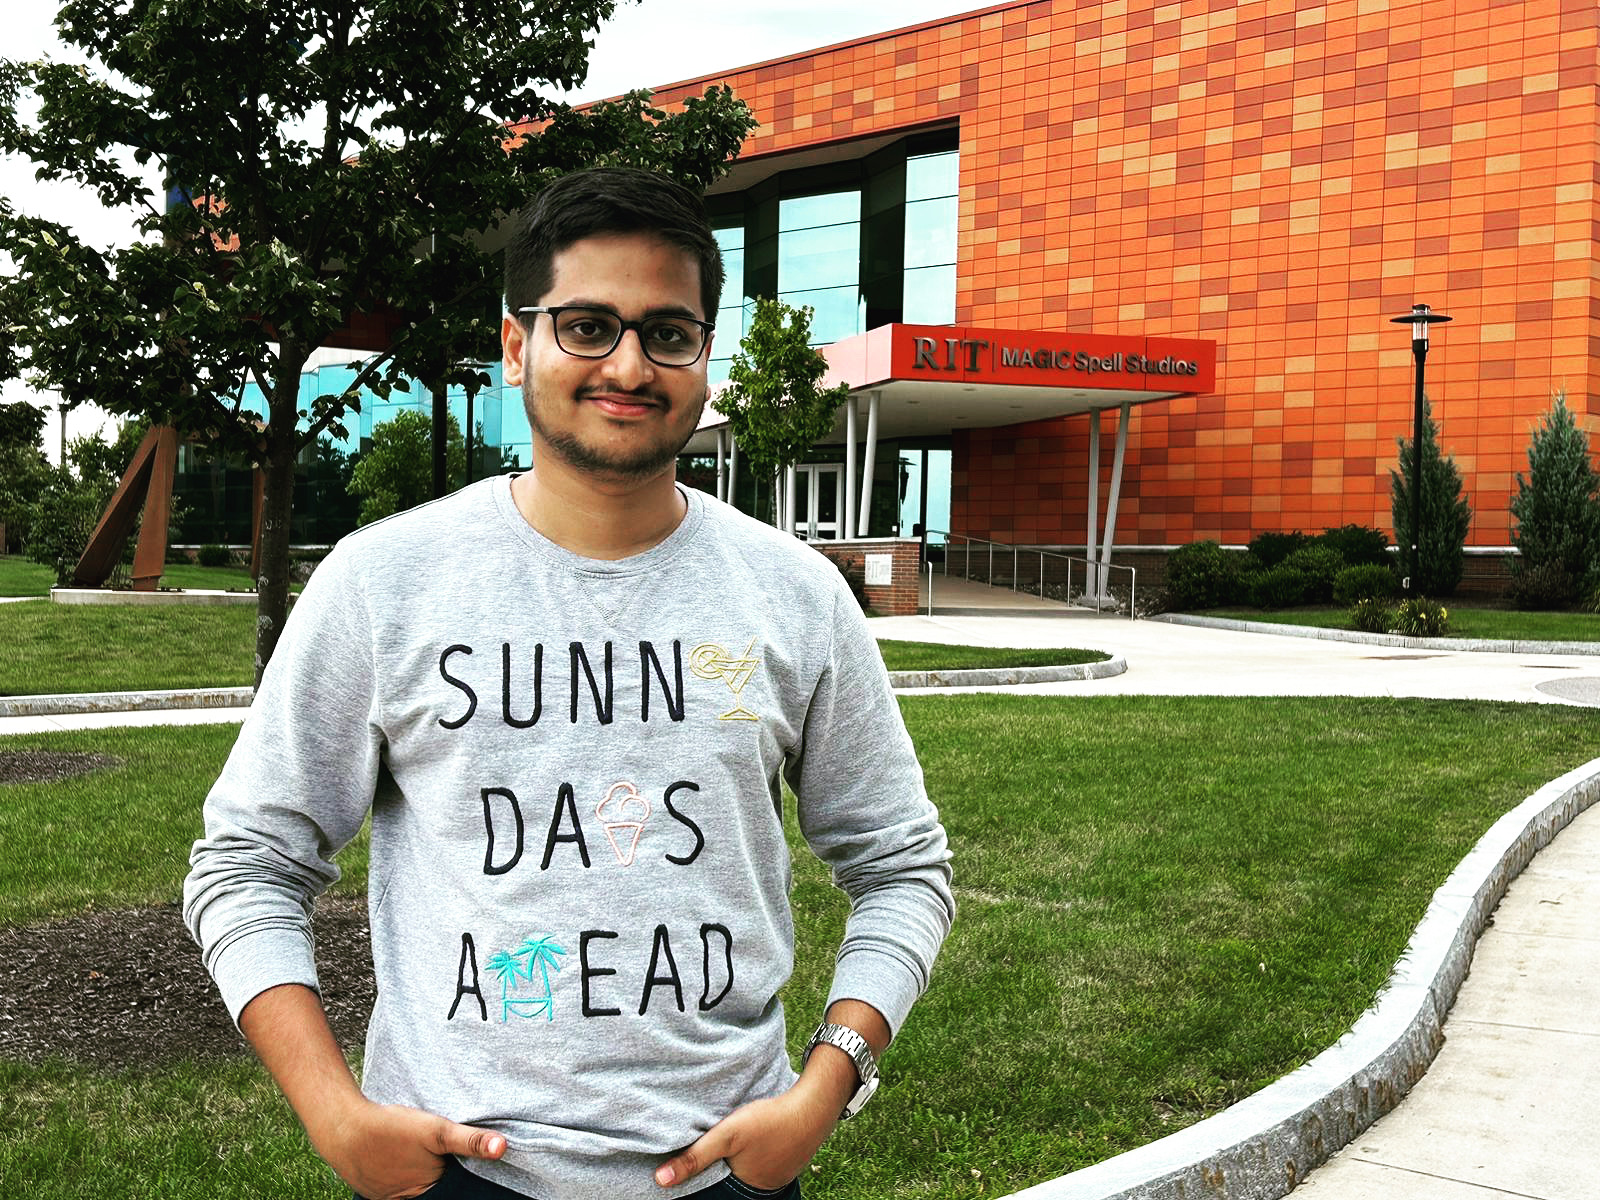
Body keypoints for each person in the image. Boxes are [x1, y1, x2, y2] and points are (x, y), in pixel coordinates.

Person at [184, 166, 954, 1200]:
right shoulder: (383, 583)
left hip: (728, 1176)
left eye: (668, 333)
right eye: (587, 326)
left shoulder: (796, 595)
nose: (629, 365)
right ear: (517, 345)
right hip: (460, 1175)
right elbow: (247, 862)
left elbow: (902, 866)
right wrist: (334, 1115)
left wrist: (828, 1085)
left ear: (704, 357)